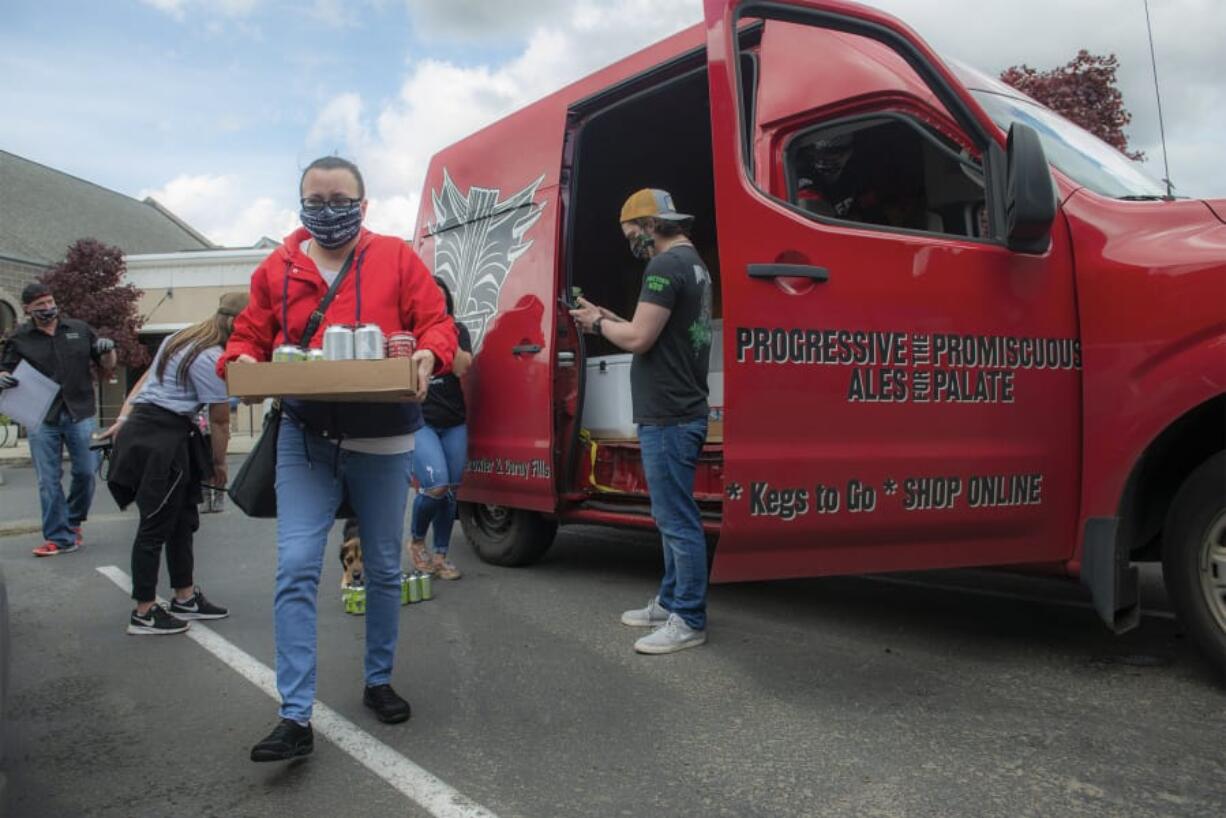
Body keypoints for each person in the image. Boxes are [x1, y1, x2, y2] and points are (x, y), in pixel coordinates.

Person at [220, 156, 456, 762]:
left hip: (382, 439)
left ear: (364, 203)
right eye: (315, 199)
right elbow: (247, 336)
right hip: (306, 434)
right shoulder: (278, 267)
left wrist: (430, 357)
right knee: (297, 566)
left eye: (339, 198)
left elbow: (437, 325)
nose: (327, 210)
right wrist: (240, 362)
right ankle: (294, 714)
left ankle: (378, 680)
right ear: (300, 204)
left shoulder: (396, 259)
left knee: (380, 566)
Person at [570, 189, 713, 655]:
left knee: (676, 519)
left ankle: (688, 618)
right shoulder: (693, 264)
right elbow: (648, 327)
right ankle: (671, 601)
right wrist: (607, 315)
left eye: (633, 234)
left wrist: (595, 326)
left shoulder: (663, 266)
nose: (633, 243)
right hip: (682, 407)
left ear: (651, 225)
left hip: (668, 413)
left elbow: (636, 338)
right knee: (670, 514)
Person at [103, 293, 248, 635]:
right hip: (160, 439)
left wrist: (125, 416)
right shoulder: (211, 357)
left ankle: (184, 597)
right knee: (154, 525)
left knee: (183, 520)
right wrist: (219, 463)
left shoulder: (180, 337)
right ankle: (144, 611)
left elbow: (143, 381)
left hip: (158, 431)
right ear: (237, 325)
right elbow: (220, 421)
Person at [0, 282, 117, 557]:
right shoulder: (20, 339)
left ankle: (73, 521)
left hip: (80, 412)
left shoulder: (78, 329)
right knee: (47, 479)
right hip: (41, 416)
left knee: (87, 472)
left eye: (50, 302)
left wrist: (108, 349)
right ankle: (58, 537)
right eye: (40, 305)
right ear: (28, 308)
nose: (47, 308)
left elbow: (108, 364)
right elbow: (5, 369)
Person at [406, 277, 474, 580]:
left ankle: (441, 556)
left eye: (441, 297)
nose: (436, 301)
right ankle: (417, 539)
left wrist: (444, 333)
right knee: (436, 484)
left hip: (454, 421)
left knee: (450, 493)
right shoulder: (408, 333)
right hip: (421, 421)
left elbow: (461, 366)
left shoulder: (458, 331)